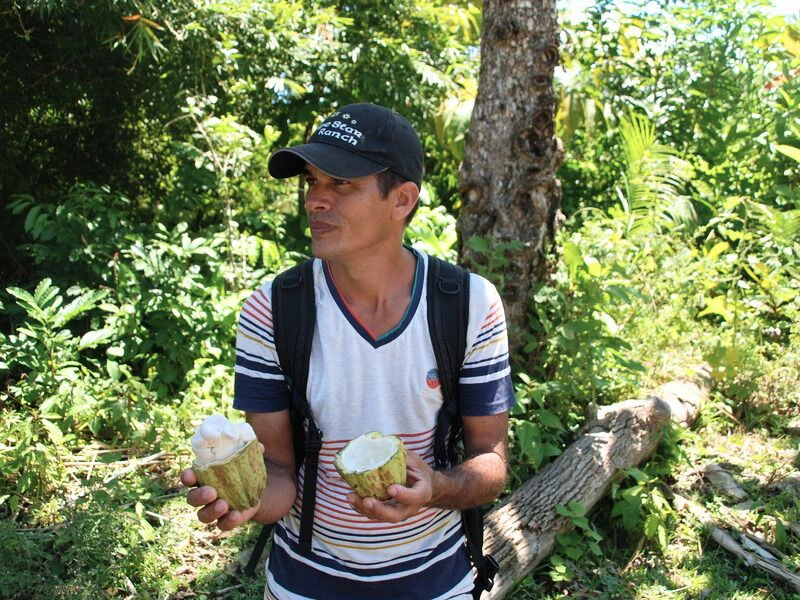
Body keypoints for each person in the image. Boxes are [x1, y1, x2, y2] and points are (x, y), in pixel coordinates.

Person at [182, 103, 515, 599]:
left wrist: (436, 487)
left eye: (341, 183)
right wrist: (247, 500)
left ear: (402, 200)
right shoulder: (273, 310)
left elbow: (491, 459)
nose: (315, 200)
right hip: (305, 583)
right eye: (311, 181)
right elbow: (280, 471)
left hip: (436, 580)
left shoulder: (468, 305)